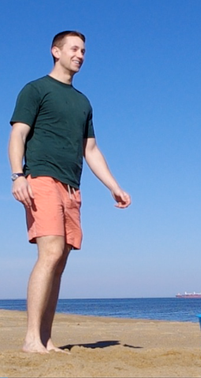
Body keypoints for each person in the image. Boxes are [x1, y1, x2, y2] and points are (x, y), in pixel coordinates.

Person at [8, 31, 131, 353]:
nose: (80, 55)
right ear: (56, 51)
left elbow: (90, 149)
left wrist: (114, 187)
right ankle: (31, 339)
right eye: (74, 49)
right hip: (42, 179)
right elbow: (18, 133)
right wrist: (17, 176)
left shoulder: (82, 102)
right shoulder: (36, 89)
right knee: (49, 253)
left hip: (71, 187)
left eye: (83, 50)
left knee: (60, 260)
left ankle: (46, 339)